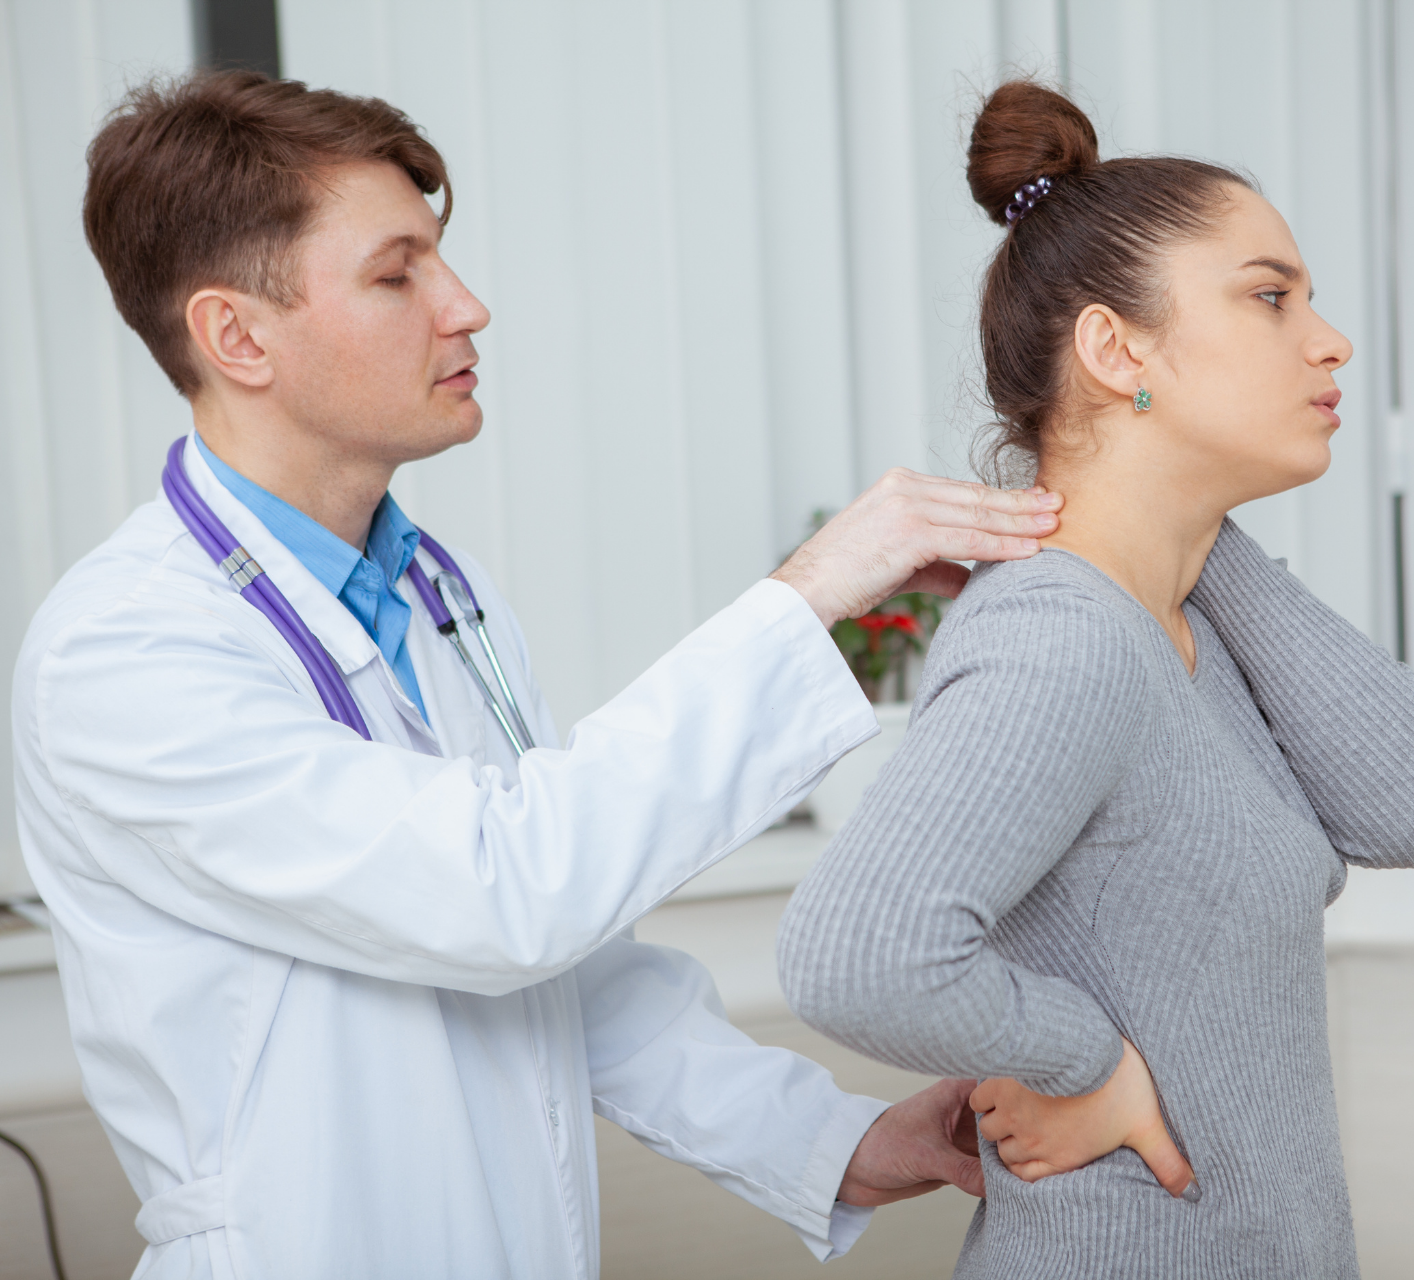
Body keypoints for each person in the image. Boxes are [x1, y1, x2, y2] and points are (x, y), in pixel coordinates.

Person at [10, 71, 1065, 1280]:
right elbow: (505, 893)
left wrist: (836, 1141)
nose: (466, 307)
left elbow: (564, 967)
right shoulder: (125, 652)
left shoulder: (440, 597)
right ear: (236, 335)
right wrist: (813, 591)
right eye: (397, 272)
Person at [777, 81, 1414, 1278]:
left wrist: (1192, 529)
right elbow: (856, 949)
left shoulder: (1174, 610)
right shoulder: (1063, 634)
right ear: (1116, 348)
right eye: (1271, 297)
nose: (1330, 339)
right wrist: (1084, 1060)